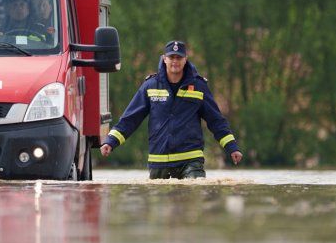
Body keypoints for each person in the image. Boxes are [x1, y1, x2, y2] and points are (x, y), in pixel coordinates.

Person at [101, 40, 243, 179]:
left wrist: (232, 147)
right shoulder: (150, 86)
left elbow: (216, 120)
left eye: (179, 57)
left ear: (185, 60)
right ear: (164, 59)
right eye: (171, 57)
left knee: (193, 195)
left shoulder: (199, 86)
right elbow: (131, 118)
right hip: (159, 162)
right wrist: (111, 141)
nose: (175, 61)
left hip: (191, 160)